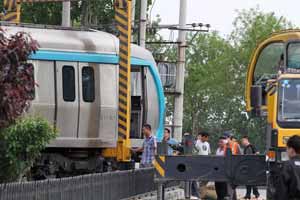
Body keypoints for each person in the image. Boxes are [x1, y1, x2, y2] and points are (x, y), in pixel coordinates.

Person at [275, 135, 300, 200]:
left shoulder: (286, 166)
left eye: (287, 149)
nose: (287, 151)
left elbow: (281, 193)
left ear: (291, 150)